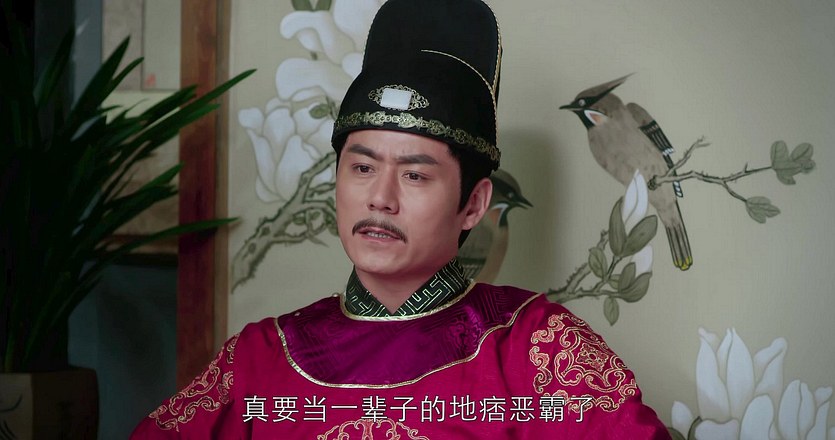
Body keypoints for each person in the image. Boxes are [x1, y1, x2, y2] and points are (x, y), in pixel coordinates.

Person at [131, 0, 671, 438]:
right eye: (362, 168)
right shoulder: (262, 357)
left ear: (474, 204)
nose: (380, 198)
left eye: (414, 175)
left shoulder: (535, 348)